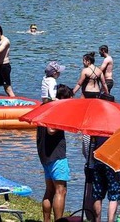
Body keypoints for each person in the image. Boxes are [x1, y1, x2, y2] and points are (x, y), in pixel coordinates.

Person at [38, 84, 74, 222]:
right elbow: (51, 130)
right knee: (61, 190)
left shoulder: (44, 106)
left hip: (45, 155)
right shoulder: (56, 109)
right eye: (70, 99)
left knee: (50, 190)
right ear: (63, 98)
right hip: (56, 155)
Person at [92, 135, 120, 222]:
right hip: (113, 162)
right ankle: (110, 220)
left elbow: (91, 145)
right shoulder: (119, 126)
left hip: (98, 159)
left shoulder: (97, 124)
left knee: (97, 195)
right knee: (114, 196)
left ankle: (97, 220)